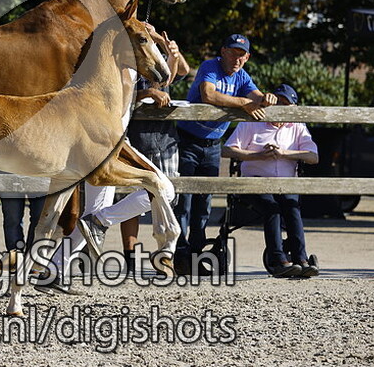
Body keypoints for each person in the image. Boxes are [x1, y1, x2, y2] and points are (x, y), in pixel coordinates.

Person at [44, 25, 188, 290]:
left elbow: (169, 76)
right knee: (164, 189)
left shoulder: (119, 64)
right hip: (111, 144)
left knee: (93, 214)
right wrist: (145, 93)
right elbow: (116, 104)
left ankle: (54, 269)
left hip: (100, 143)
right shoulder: (114, 67)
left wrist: (160, 42)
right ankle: (101, 223)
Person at [173, 33, 276, 275]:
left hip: (212, 145)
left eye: (241, 54)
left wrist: (267, 99)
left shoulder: (242, 76)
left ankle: (197, 258)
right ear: (223, 51)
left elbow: (257, 97)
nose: (236, 58)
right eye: (232, 52)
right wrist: (243, 103)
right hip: (188, 141)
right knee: (184, 203)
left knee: (204, 206)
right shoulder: (210, 66)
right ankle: (180, 257)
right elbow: (209, 95)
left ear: (247, 57)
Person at [222, 84, 320, 278]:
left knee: (292, 207)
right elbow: (227, 150)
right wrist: (258, 155)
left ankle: (301, 259)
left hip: (286, 182)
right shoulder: (252, 122)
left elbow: (313, 156)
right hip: (254, 182)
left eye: (287, 105)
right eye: (278, 103)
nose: (281, 108)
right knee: (271, 207)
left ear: (294, 108)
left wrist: (285, 153)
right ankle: (278, 260)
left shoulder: (297, 126)